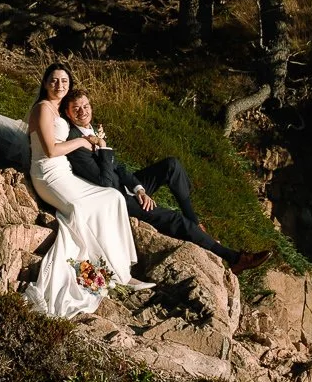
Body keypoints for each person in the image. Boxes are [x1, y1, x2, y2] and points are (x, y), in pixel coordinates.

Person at [59, 88, 263, 272]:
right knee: (174, 219)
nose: (83, 111)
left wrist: (139, 188)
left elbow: (118, 167)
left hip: (125, 187)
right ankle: (234, 258)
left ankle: (194, 222)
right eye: (76, 108)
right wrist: (103, 147)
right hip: (116, 198)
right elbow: (105, 182)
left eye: (86, 106)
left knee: (171, 165)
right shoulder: (75, 142)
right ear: (68, 113)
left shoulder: (91, 130)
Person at [21, 61, 138, 318]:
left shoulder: (59, 109)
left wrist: (90, 140)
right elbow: (50, 150)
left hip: (64, 171)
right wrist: (82, 142)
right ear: (44, 83)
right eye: (53, 80)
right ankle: (96, 267)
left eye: (64, 81)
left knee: (112, 197)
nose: (59, 85)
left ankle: (120, 269)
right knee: (80, 208)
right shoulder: (42, 108)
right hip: (47, 173)